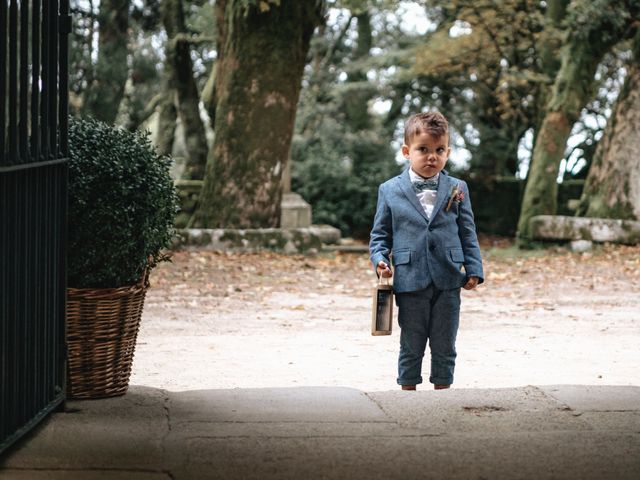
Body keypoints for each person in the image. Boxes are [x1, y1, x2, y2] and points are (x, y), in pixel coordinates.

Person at [369, 111, 484, 391]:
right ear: (407, 151)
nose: (432, 156)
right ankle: (408, 394)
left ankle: (442, 395)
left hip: (448, 276)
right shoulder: (390, 190)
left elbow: (467, 232)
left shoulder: (458, 188)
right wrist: (380, 260)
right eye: (423, 149)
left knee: (445, 342)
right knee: (412, 341)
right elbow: (380, 235)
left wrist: (474, 269)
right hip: (410, 278)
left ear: (448, 152)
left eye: (439, 150)